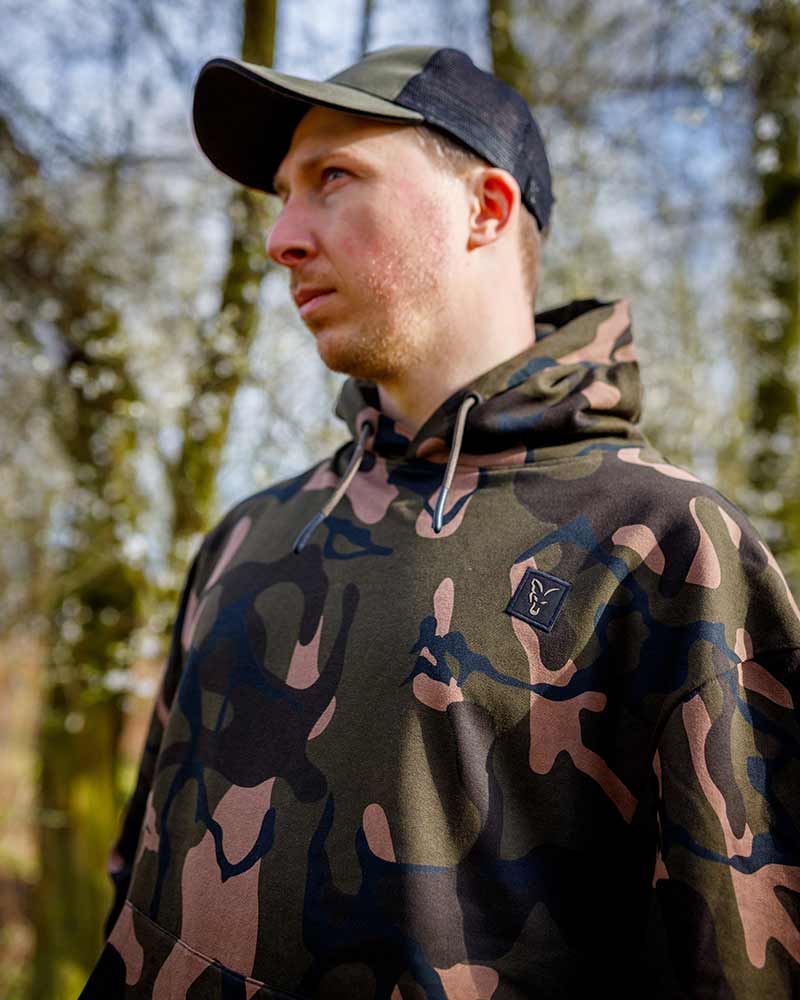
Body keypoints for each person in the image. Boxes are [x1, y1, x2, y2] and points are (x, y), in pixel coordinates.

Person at [80, 45, 800, 1000]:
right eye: (283, 196)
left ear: (485, 209)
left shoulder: (667, 547)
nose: (281, 238)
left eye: (334, 178)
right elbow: (135, 881)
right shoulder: (247, 535)